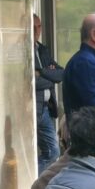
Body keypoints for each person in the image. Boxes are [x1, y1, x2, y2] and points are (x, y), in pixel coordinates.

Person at [33, 14, 63, 174]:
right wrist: (50, 78)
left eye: (38, 27)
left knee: (51, 151)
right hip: (33, 109)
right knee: (52, 151)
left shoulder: (42, 49)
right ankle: (30, 181)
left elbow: (61, 73)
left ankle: (34, 180)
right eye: (32, 27)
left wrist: (42, 72)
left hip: (46, 107)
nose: (36, 31)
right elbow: (29, 82)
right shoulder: (19, 49)